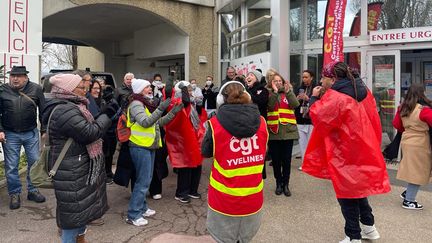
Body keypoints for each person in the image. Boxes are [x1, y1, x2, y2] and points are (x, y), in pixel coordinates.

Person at [303, 61, 391, 243]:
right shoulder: (363, 91)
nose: (321, 80)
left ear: (333, 78)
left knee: (346, 194)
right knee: (357, 191)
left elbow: (318, 116)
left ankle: (353, 236)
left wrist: (313, 98)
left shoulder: (337, 97)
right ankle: (369, 228)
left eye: (323, 77)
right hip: (363, 148)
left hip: (344, 151)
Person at [43, 73, 116, 243]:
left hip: (77, 167)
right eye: (81, 88)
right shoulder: (65, 109)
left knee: (80, 215)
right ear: (67, 90)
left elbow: (86, 127)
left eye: (85, 87)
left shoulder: (74, 105)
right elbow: (89, 133)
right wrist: (106, 115)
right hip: (71, 171)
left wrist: (101, 114)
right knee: (73, 219)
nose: (85, 91)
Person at [202, 81, 268, 243]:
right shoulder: (262, 123)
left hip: (223, 200)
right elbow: (263, 152)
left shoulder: (215, 125)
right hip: (253, 198)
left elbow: (206, 152)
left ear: (220, 101)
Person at [126, 78, 183, 226]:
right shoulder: (136, 104)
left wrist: (173, 113)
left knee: (146, 179)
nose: (150, 89)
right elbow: (146, 122)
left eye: (150, 87)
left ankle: (142, 208)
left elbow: (158, 123)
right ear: (139, 90)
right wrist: (161, 108)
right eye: (146, 87)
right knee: (142, 181)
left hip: (149, 146)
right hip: (139, 147)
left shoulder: (146, 104)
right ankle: (133, 214)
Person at [0, 66, 46, 210]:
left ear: (26, 77)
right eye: (13, 76)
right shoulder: (2, 90)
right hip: (10, 133)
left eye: (19, 76)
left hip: (31, 133)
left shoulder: (36, 89)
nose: (15, 78)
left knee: (34, 162)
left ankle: (32, 191)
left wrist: (44, 129)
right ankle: (14, 193)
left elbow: (44, 110)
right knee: (12, 166)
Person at [392, 83, 432, 210]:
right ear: (422, 93)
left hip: (407, 140)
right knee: (418, 171)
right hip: (420, 142)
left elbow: (397, 125)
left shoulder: (402, 108)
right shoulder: (424, 110)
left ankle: (407, 193)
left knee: (415, 170)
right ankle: (409, 200)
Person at [266, 73, 299, 197]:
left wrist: (289, 91)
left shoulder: (288, 92)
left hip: (288, 132)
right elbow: (269, 106)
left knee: (286, 161)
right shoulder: (269, 93)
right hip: (274, 132)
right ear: (271, 83)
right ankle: (278, 183)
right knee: (276, 160)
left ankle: (286, 184)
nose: (278, 83)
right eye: (275, 81)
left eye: (280, 80)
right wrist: (274, 92)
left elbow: (295, 105)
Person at [113, 72, 136, 190]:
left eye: (131, 79)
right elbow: (114, 104)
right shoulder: (118, 90)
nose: (130, 81)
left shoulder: (136, 90)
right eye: (128, 79)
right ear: (124, 80)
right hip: (123, 121)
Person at [294, 70, 316, 170]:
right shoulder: (299, 88)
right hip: (300, 119)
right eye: (303, 77)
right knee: (302, 143)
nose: (304, 79)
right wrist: (297, 98)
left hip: (311, 120)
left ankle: (313, 164)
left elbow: (318, 102)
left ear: (311, 78)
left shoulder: (316, 89)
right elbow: (293, 103)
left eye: (306, 77)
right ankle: (304, 163)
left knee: (311, 143)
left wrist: (308, 99)